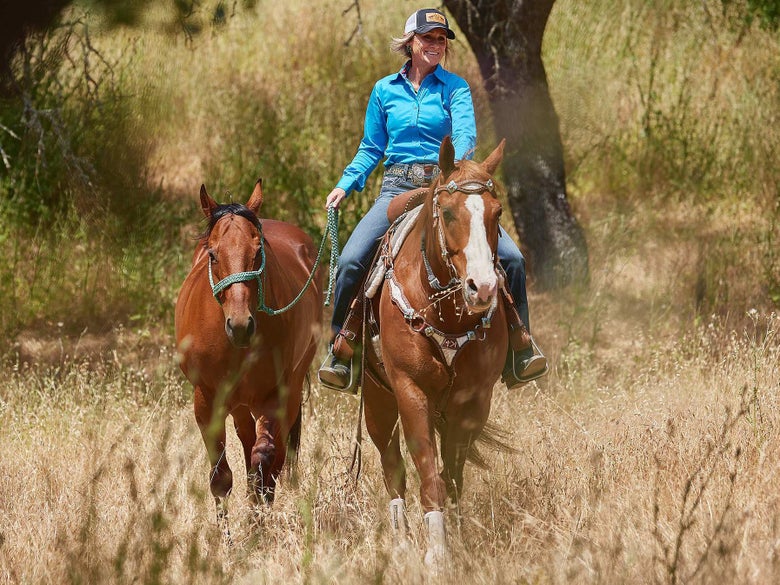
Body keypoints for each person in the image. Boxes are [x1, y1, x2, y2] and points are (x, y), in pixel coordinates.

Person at [318, 8, 547, 392]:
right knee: (351, 260)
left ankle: (520, 350)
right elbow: (372, 147)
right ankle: (342, 352)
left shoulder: (454, 88)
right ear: (410, 43)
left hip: (446, 188)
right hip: (396, 188)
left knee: (513, 259)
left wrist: (453, 166)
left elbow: (466, 135)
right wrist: (346, 183)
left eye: (441, 39)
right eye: (428, 38)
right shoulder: (384, 91)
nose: (436, 45)